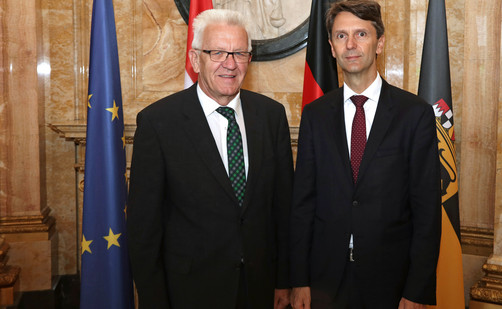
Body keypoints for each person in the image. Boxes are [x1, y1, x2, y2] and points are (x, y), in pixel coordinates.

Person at [127, 9, 292, 309]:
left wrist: (284, 282)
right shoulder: (158, 123)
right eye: (217, 52)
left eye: (239, 53)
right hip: (189, 293)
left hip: (259, 289)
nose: (230, 64)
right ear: (195, 59)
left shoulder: (271, 116)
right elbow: (143, 229)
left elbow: (282, 209)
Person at [289, 1, 441, 308]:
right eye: (341, 36)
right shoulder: (315, 115)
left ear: (379, 43)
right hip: (323, 280)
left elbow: (427, 212)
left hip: (390, 281)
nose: (352, 45)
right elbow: (302, 204)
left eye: (361, 34)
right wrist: (298, 278)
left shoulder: (414, 114)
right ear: (331, 47)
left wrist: (417, 290)